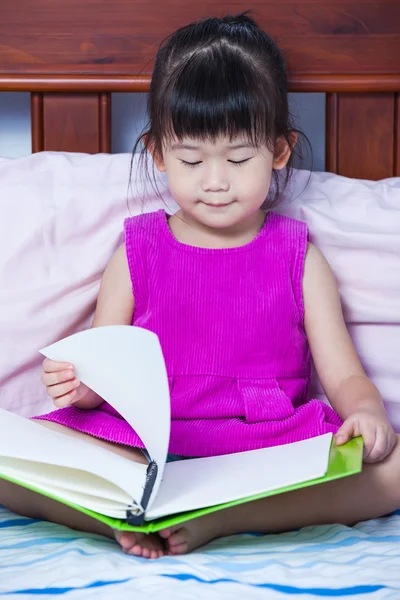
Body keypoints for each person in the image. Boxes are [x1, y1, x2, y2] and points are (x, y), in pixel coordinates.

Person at [1, 13, 399, 560]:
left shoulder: (297, 255)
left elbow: (345, 375)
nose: (215, 181)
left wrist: (367, 412)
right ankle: (116, 517)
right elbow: (104, 363)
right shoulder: (137, 249)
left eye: (238, 159)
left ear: (279, 152)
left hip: (260, 444)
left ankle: (228, 517)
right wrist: (82, 385)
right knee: (15, 460)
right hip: (144, 441)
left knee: (393, 468)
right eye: (191, 160)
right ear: (160, 154)